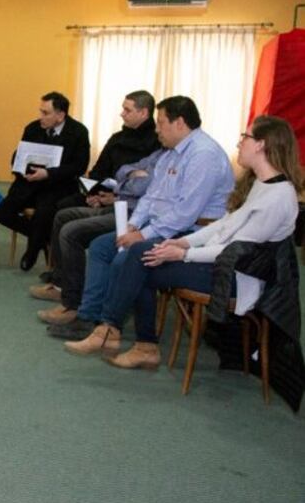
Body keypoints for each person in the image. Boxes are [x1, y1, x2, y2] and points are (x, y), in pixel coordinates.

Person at [63, 115, 302, 369]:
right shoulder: (262, 184)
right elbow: (223, 226)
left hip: (237, 277)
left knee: (142, 261)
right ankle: (124, 337)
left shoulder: (278, 197)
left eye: (246, 137)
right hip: (220, 263)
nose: (239, 143)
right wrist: (183, 244)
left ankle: (118, 333)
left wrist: (183, 254)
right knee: (143, 254)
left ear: (261, 144)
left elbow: (236, 250)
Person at [47, 95, 235, 342]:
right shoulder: (171, 153)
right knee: (101, 247)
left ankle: (109, 326)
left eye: (161, 123)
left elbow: (185, 213)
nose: (157, 130)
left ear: (179, 123)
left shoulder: (203, 155)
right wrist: (132, 225)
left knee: (124, 259)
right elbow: (150, 196)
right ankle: (87, 317)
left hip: (190, 234)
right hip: (161, 225)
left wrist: (142, 234)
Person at [29, 90, 161, 321]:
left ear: (143, 113)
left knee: (71, 230)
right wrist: (97, 193)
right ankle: (60, 283)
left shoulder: (157, 144)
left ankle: (73, 302)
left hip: (128, 208)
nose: (122, 114)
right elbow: (105, 170)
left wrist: (115, 194)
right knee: (62, 211)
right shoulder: (118, 138)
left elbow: (146, 188)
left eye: (127, 110)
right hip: (108, 194)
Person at [0, 91, 90, 270]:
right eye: (40, 111)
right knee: (2, 213)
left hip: (58, 185)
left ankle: (32, 250)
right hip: (29, 183)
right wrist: (24, 169)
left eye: (46, 113)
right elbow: (17, 156)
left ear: (60, 115)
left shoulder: (78, 132)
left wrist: (48, 174)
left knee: (44, 213)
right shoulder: (33, 128)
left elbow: (79, 166)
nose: (41, 117)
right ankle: (43, 238)